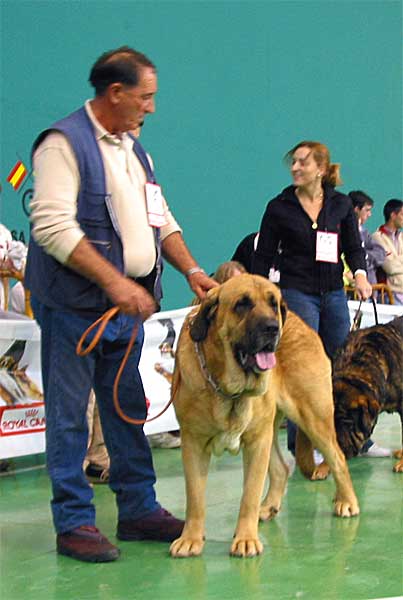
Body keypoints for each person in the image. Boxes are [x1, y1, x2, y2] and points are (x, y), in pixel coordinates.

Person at [25, 46, 217, 563]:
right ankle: (73, 524)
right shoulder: (62, 145)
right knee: (68, 419)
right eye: (145, 97)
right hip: (75, 310)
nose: (150, 108)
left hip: (123, 312)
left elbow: (161, 217)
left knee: (127, 409)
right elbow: (51, 227)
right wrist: (116, 283)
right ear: (115, 93)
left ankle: (137, 509)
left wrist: (192, 270)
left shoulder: (136, 151)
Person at [251, 140, 389, 458]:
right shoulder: (279, 207)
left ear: (321, 169)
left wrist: (360, 274)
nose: (295, 168)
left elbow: (354, 248)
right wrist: (259, 292)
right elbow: (263, 255)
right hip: (297, 295)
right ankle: (304, 445)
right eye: (294, 162)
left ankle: (356, 438)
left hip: (335, 296)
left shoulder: (340, 205)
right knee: (303, 369)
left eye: (303, 162)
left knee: (345, 365)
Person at [347, 191, 386, 285]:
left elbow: (381, 253)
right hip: (350, 291)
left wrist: (365, 256)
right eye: (367, 210)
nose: (370, 214)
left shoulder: (365, 232)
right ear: (356, 209)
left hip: (369, 289)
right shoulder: (341, 231)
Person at [372, 199, 403, 304]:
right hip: (390, 294)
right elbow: (390, 267)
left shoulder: (401, 237)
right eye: (402, 214)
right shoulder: (377, 237)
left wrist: (396, 259)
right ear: (393, 215)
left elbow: (394, 264)